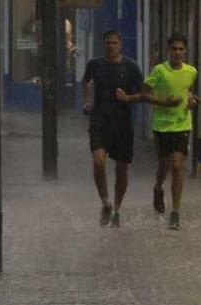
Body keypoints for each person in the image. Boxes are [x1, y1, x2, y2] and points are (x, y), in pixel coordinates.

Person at [117, 33, 198, 230]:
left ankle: (175, 213)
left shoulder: (191, 71)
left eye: (181, 49)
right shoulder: (159, 71)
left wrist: (191, 102)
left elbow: (187, 92)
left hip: (182, 125)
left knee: (178, 167)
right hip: (162, 126)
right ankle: (158, 187)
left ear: (185, 51)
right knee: (164, 167)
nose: (177, 52)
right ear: (168, 50)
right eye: (174, 49)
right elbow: (145, 95)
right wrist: (164, 103)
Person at [82, 30, 144, 228]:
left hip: (122, 123)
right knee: (98, 162)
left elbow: (143, 92)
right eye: (108, 43)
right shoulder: (95, 64)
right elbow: (86, 82)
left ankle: (117, 207)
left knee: (121, 169)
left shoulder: (130, 66)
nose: (111, 46)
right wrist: (87, 102)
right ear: (103, 44)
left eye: (114, 43)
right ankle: (105, 203)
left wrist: (128, 98)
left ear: (121, 44)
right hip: (99, 121)